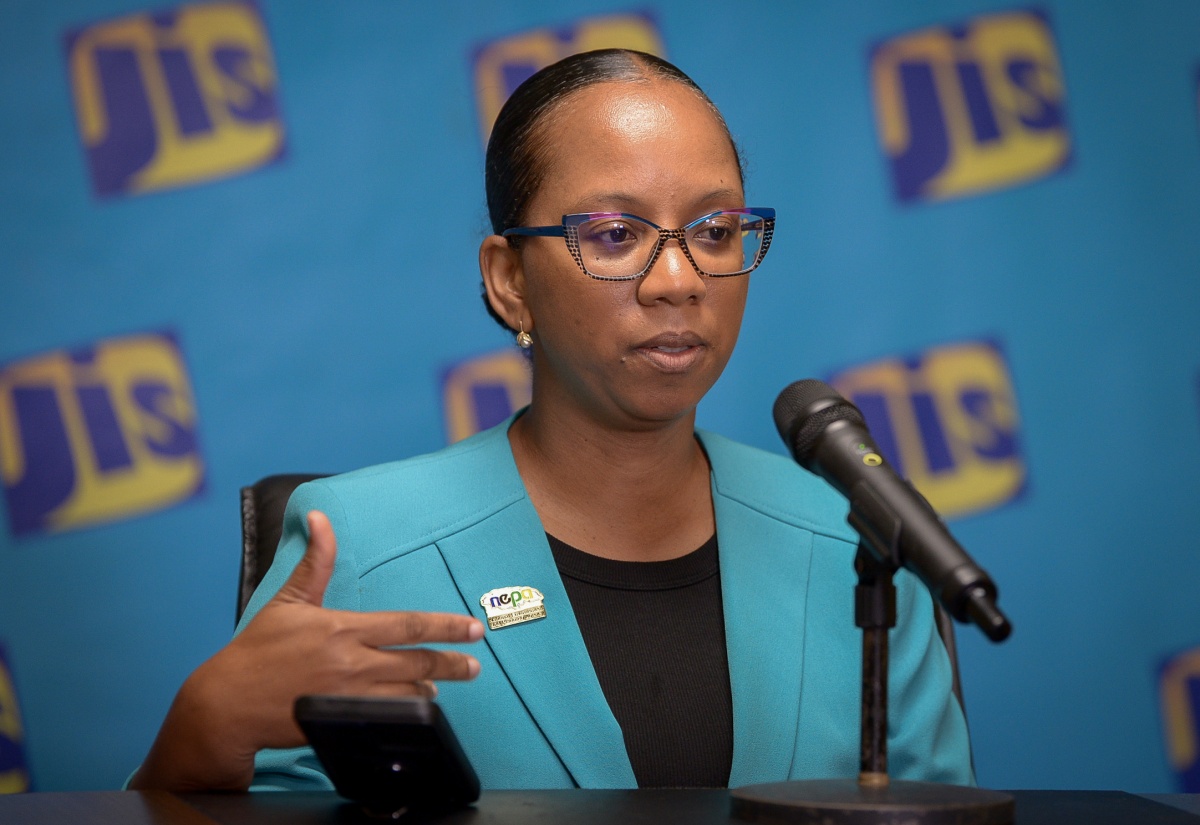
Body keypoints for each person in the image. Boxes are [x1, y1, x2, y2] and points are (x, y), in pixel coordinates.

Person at [129, 48, 972, 793]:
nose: (679, 279)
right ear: (509, 281)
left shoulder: (859, 541)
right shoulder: (357, 548)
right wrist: (197, 733)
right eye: (614, 234)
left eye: (715, 230)